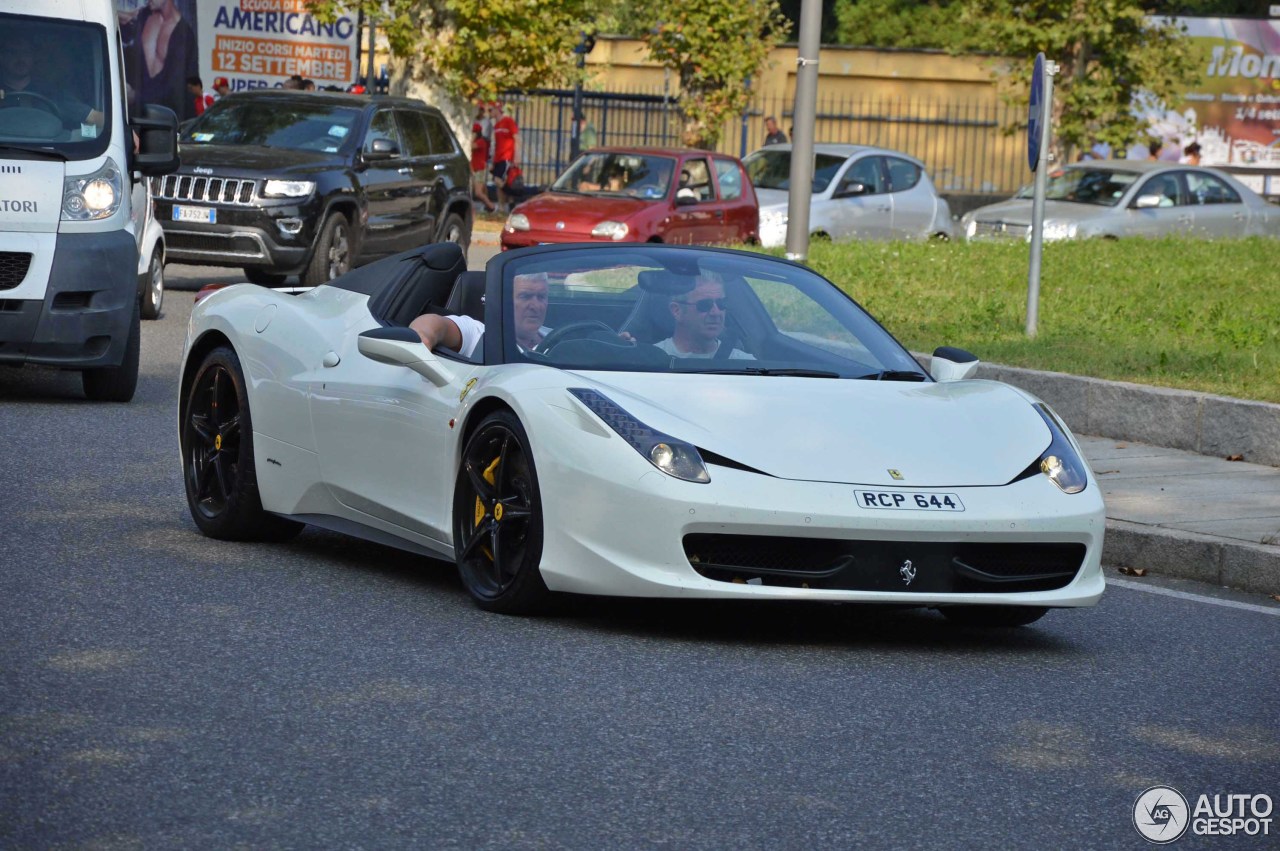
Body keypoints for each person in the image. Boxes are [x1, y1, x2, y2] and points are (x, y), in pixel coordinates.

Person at [410, 272, 550, 357]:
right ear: (503, 300)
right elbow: (433, 323)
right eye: (525, 296)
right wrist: (422, 338)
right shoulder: (481, 335)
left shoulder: (559, 338)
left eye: (541, 297)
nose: (535, 306)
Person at [0, 30, 103, 131]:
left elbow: (93, 118)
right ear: (2, 57)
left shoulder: (52, 93)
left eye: (25, 52)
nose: (20, 58)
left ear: (33, 57)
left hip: (46, 148)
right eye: (13, 52)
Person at [119, 0, 199, 121]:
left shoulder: (184, 36)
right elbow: (122, 20)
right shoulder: (144, 15)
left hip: (163, 121)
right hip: (134, 117)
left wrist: (136, 96)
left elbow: (174, 88)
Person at [655, 275, 753, 359]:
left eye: (721, 303)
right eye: (705, 305)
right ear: (677, 311)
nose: (716, 313)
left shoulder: (745, 364)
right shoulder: (651, 360)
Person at [490, 101, 519, 211]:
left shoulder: (508, 121)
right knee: (498, 182)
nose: (489, 112)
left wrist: (516, 156)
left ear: (497, 109)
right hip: (498, 157)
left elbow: (517, 138)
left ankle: (512, 196)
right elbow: (496, 144)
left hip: (506, 156)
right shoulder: (496, 125)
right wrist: (493, 161)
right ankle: (503, 206)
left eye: (491, 110)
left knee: (498, 179)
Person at [471, 116, 497, 212]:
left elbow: (471, 146)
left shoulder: (481, 142)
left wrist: (471, 138)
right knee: (480, 189)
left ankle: (491, 206)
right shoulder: (479, 141)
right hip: (474, 168)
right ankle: (487, 206)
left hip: (479, 169)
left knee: (478, 192)